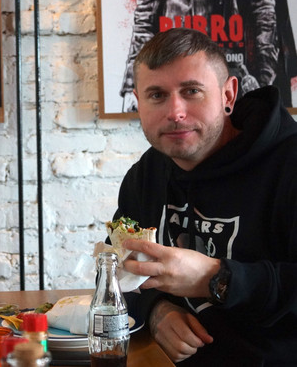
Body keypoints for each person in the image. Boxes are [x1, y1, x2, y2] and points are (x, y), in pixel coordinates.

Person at [111, 28, 297, 365]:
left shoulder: (289, 164)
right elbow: (113, 271)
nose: (175, 112)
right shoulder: (146, 175)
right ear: (138, 102)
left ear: (228, 95)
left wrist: (216, 278)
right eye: (157, 95)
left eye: (192, 91)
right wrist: (155, 310)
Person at [119, 0, 279, 112]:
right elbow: (145, 20)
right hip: (171, 77)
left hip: (227, 78)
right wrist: (131, 85)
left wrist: (263, 81)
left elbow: (263, 8)